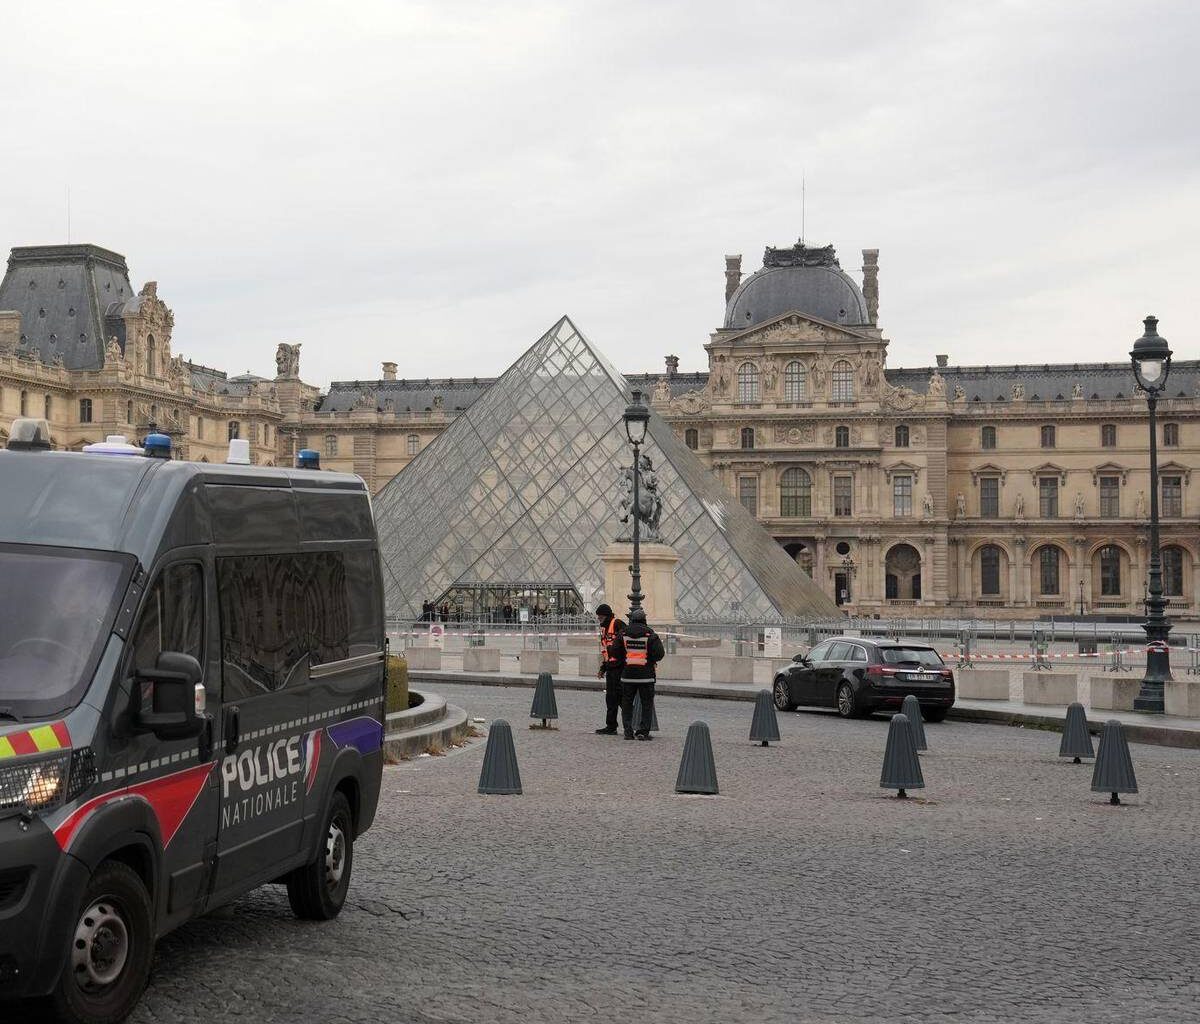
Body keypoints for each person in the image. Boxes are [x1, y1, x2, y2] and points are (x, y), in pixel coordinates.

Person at [617, 609, 665, 740]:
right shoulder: (650, 634)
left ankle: (628, 731)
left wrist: (625, 660)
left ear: (631, 619)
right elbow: (660, 653)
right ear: (644, 619)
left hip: (628, 676)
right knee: (646, 705)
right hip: (646, 676)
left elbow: (615, 651)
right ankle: (643, 731)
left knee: (626, 704)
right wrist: (651, 660)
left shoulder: (623, 633)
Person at [594, 603, 626, 735]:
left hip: (620, 667)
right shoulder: (604, 629)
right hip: (611, 668)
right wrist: (603, 668)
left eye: (600, 617)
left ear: (606, 616)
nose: (598, 619)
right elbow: (606, 651)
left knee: (621, 698)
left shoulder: (617, 624)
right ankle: (611, 726)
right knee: (611, 698)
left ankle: (630, 724)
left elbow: (625, 644)